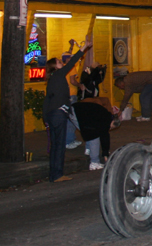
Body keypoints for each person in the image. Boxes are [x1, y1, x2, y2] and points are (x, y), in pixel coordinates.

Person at [43, 36, 92, 182]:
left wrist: (45, 118)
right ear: (55, 67)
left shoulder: (52, 79)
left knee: (55, 145)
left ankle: (54, 174)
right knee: (59, 145)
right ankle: (58, 174)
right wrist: (83, 48)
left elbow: (47, 99)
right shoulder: (59, 74)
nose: (61, 62)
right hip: (59, 114)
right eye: (59, 62)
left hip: (52, 114)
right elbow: (72, 62)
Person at [72, 100, 117, 170]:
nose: (109, 128)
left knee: (89, 131)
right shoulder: (106, 120)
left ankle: (88, 150)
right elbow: (105, 137)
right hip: (78, 113)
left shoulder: (105, 115)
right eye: (111, 127)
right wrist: (105, 154)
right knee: (94, 137)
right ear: (113, 121)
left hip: (74, 110)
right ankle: (94, 163)